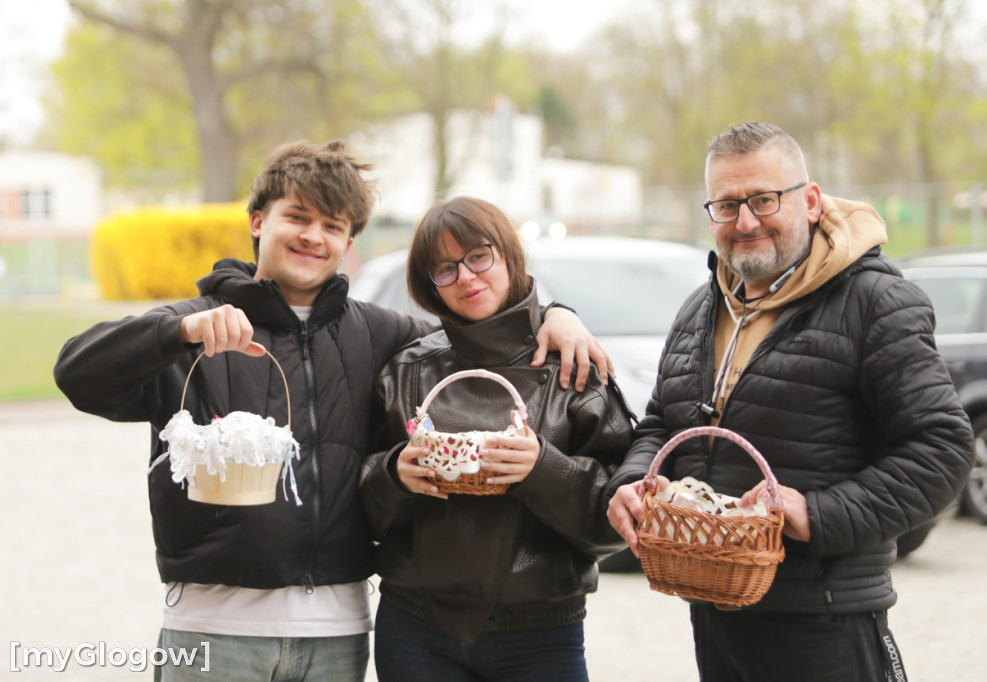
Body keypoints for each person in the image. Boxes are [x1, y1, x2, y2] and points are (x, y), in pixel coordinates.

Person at [52, 140, 610, 682]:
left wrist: (555, 314)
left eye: (333, 225)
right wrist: (177, 332)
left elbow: (480, 332)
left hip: (337, 635)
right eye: (298, 216)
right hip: (211, 628)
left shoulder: (381, 334)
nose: (313, 236)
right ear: (257, 221)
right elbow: (76, 375)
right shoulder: (198, 325)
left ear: (349, 243)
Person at [605, 122, 974, 681]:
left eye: (763, 199)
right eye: (726, 205)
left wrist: (817, 514)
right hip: (715, 612)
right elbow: (662, 421)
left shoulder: (875, 302)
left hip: (824, 623)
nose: (745, 221)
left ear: (810, 201)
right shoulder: (701, 308)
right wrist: (633, 480)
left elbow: (943, 449)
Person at [359, 196, 635, 682]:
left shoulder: (572, 366)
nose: (466, 276)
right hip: (415, 629)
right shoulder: (408, 371)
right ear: (430, 286)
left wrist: (542, 469)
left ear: (508, 254)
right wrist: (392, 475)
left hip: (541, 634)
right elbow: (357, 505)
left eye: (478, 256)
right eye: (444, 269)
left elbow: (617, 521)